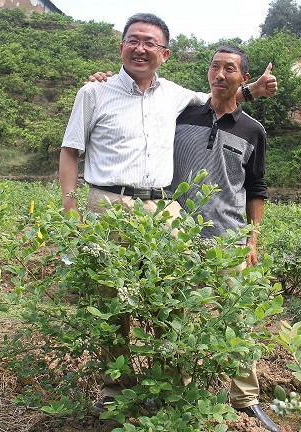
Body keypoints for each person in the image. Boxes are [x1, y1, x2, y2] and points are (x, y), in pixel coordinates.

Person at [58, 12, 277, 412]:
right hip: (107, 202)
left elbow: (221, 100)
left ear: (165, 54)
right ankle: (115, 390)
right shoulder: (94, 92)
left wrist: (253, 91)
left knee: (170, 299)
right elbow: (70, 150)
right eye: (133, 40)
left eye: (150, 43)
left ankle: (170, 385)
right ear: (121, 44)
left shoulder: (177, 96)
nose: (140, 48)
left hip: (163, 209)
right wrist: (71, 210)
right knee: (112, 302)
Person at [170, 45, 278, 432]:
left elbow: (256, 187)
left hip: (230, 238)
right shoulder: (180, 115)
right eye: (214, 66)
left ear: (242, 78)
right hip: (176, 237)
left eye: (228, 68)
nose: (219, 74)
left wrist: (253, 239)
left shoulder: (253, 130)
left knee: (240, 319)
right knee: (177, 317)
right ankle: (177, 391)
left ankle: (245, 399)